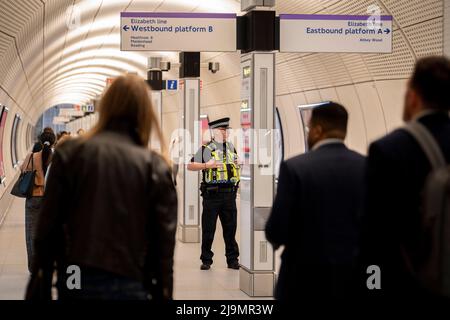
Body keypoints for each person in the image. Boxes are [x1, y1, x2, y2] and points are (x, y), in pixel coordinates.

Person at [26, 74, 177, 300]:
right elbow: (163, 246)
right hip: (130, 280)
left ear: (105, 108)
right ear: (146, 113)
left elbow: (48, 229)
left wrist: (42, 281)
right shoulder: (154, 166)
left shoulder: (71, 154)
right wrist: (163, 291)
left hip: (75, 275)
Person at [359, 56, 450, 297]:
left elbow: (375, 236)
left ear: (413, 96)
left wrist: (372, 285)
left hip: (408, 285)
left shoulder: (389, 149)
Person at [265, 102, 366, 300]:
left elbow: (276, 230)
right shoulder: (368, 167)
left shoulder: (295, 168)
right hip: (351, 278)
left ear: (318, 130)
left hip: (302, 279)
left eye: (309, 128)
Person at [187, 117, 240, 270]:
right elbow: (190, 165)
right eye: (223, 130)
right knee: (209, 229)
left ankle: (232, 260)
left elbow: (233, 165)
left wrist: (237, 164)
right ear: (215, 132)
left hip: (229, 195)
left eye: (227, 130)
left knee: (230, 229)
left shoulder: (231, 148)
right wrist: (206, 165)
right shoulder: (207, 149)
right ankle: (206, 260)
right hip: (212, 196)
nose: (226, 133)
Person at [20, 129, 56, 273]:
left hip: (33, 198)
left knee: (31, 233)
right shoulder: (56, 157)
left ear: (40, 141)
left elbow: (23, 170)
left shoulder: (32, 156)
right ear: (54, 142)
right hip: (49, 199)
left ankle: (33, 266)